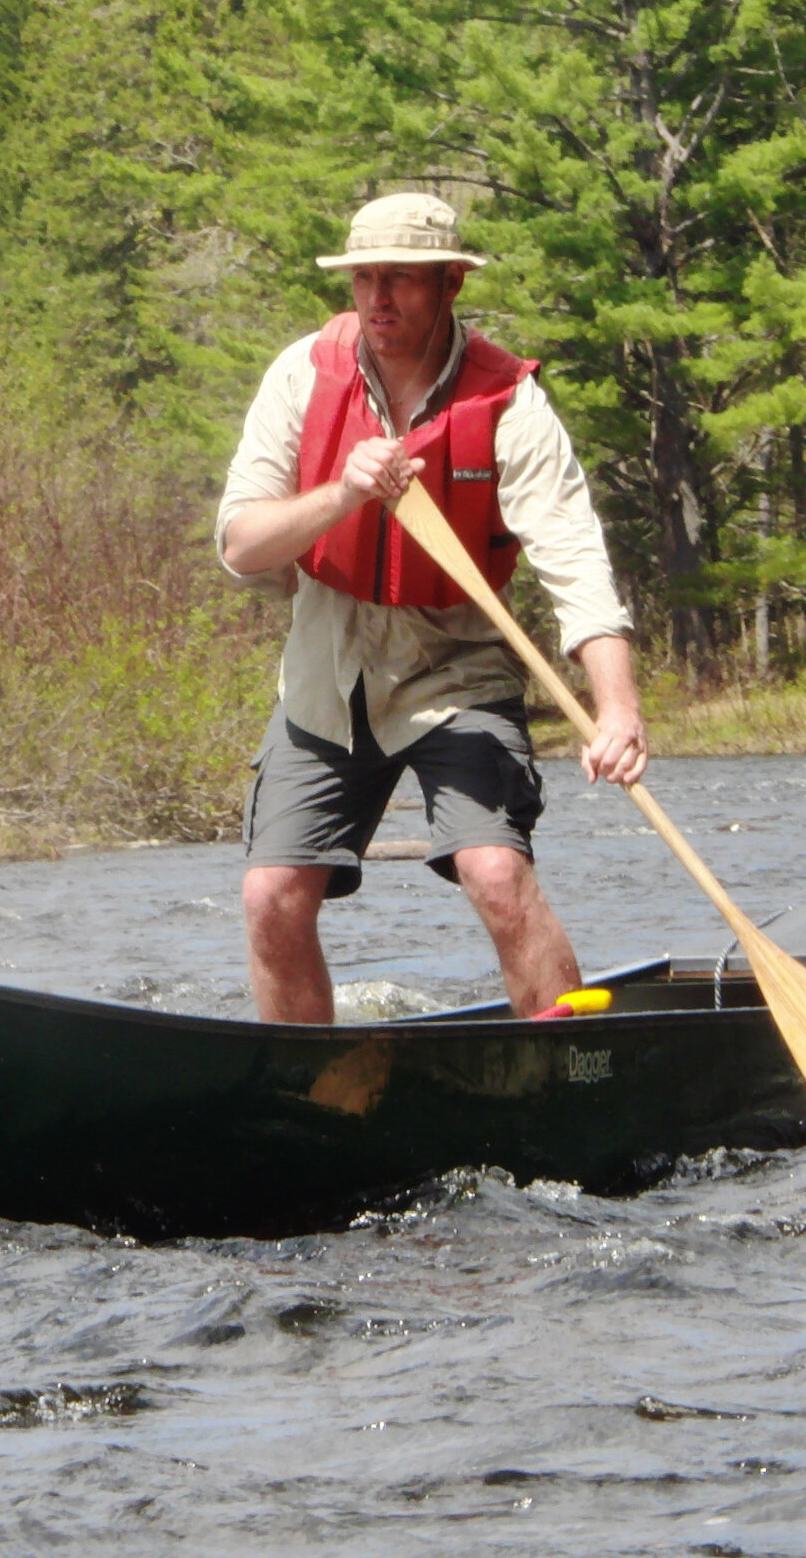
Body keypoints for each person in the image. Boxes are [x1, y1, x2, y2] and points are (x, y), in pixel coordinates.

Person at [217, 192, 647, 1023]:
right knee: (271, 893)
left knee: (494, 873)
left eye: (403, 280)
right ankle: (313, 1101)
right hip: (325, 676)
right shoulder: (301, 375)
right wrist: (342, 492)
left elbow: (574, 562)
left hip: (458, 671)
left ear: (451, 284)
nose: (379, 298)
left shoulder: (510, 405)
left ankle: (572, 1070)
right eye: (365, 278)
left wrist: (617, 709)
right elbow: (240, 545)